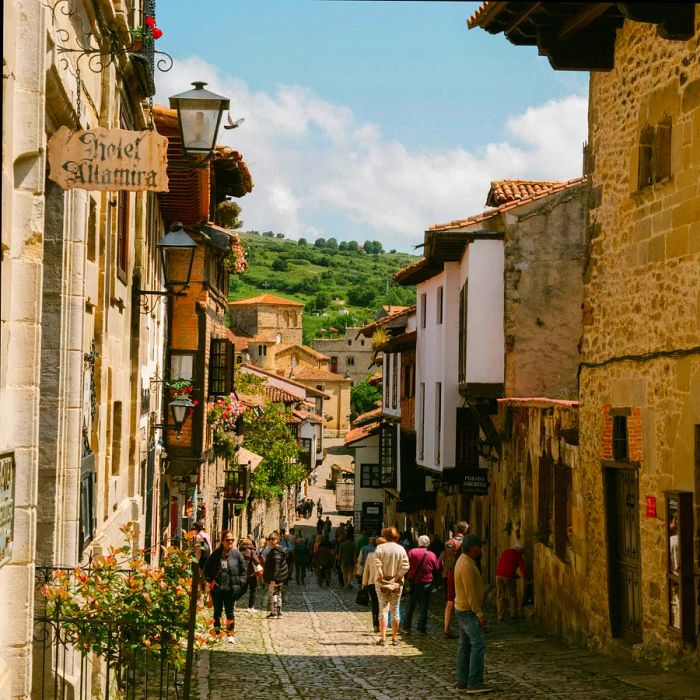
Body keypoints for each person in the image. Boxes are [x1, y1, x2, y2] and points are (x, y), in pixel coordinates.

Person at [454, 534, 490, 694]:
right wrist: (479, 613)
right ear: (473, 548)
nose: (481, 549)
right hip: (468, 610)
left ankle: (462, 680)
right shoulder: (467, 565)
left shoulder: (463, 560)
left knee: (465, 645)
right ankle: (474, 682)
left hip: (461, 608)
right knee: (478, 643)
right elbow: (470, 593)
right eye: (479, 546)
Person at [204, 530, 247, 643]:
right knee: (217, 612)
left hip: (230, 589)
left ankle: (230, 634)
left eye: (232, 539)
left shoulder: (237, 555)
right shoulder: (215, 555)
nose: (230, 542)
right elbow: (207, 569)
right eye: (228, 540)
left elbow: (243, 571)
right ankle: (217, 633)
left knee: (230, 612)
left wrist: (240, 583)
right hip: (218, 589)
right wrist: (210, 582)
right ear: (222, 541)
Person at [373, 526, 410, 647]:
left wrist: (380, 572)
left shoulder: (380, 548)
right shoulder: (401, 549)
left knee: (383, 609)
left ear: (385, 536)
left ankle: (383, 638)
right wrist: (397, 577)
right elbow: (406, 565)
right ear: (396, 536)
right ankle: (394, 638)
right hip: (396, 584)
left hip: (382, 582)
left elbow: (377, 562)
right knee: (395, 609)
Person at [402, 535, 439, 636]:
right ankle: (421, 628)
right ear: (428, 543)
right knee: (424, 606)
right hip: (426, 583)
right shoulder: (432, 555)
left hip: (413, 582)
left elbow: (405, 565)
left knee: (410, 606)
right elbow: (436, 568)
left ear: (418, 543)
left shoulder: (412, 552)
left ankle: (406, 627)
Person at [442, 521, 469, 639]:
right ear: (465, 531)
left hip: (450, 574)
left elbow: (445, 560)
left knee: (450, 601)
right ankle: (466, 628)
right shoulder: (466, 542)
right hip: (462, 573)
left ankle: (446, 628)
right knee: (465, 600)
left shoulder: (449, 543)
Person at [495, 543, 528, 621]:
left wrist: (515, 575)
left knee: (500, 595)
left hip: (498, 575)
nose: (523, 554)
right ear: (520, 550)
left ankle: (500, 616)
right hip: (508, 576)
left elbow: (505, 564)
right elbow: (522, 568)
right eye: (523, 552)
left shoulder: (505, 551)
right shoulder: (518, 555)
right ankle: (513, 614)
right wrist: (526, 576)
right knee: (512, 595)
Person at [263, 532, 289, 618]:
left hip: (275, 577)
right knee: (278, 594)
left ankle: (274, 613)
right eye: (270, 539)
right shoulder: (280, 549)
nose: (271, 541)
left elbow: (276, 567)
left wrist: (273, 579)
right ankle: (279, 612)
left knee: (273, 594)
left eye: (273, 539)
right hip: (280, 576)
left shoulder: (276, 552)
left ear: (277, 540)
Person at [361, 536, 382, 632]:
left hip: (372, 582)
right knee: (383, 604)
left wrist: (364, 582)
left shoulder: (370, 555)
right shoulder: (386, 556)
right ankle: (382, 624)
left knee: (375, 604)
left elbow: (366, 570)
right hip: (383, 583)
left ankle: (376, 624)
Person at [239, 536, 263, 612]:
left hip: (242, 572)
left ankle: (233, 600)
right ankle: (251, 607)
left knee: (243, 589)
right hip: (251, 573)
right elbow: (256, 561)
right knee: (253, 589)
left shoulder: (240, 551)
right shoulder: (252, 551)